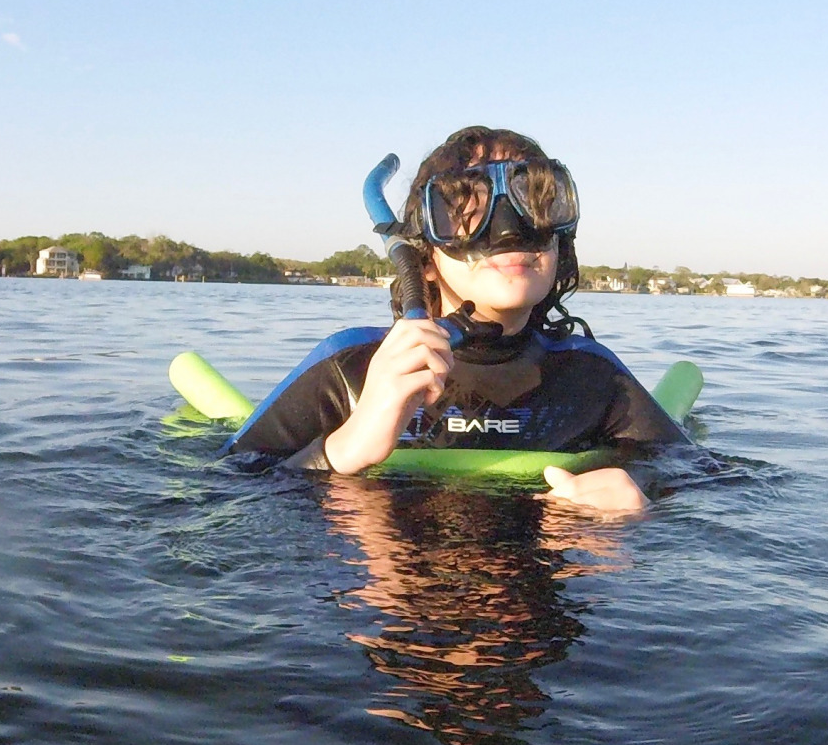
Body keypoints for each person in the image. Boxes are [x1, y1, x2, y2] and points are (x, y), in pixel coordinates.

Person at [229, 126, 688, 513]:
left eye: (536, 198)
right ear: (423, 258)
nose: (508, 230)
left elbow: (697, 477)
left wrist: (640, 490)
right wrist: (344, 447)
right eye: (465, 206)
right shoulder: (348, 368)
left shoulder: (592, 376)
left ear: (559, 243)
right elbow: (223, 492)